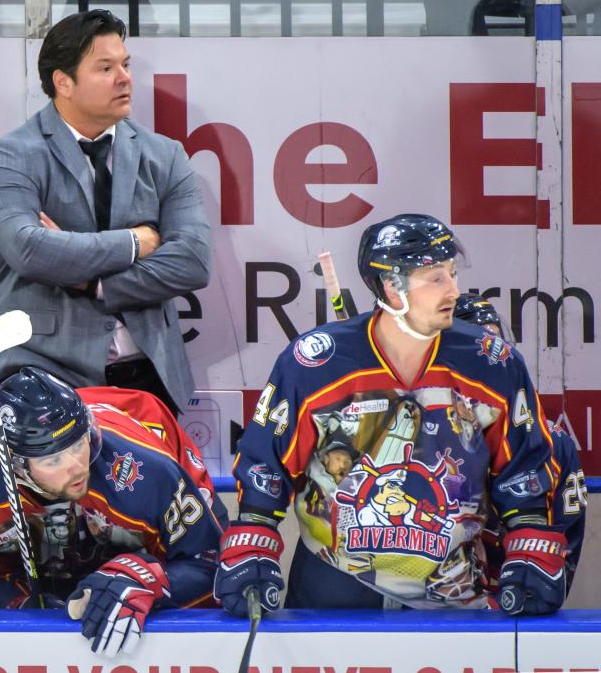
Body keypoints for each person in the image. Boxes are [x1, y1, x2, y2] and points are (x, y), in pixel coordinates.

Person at [214, 213, 567, 614]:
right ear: (391, 286)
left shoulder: (492, 362)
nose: (454, 288)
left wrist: (530, 537)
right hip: (332, 586)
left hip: (450, 592)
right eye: (436, 277)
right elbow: (267, 461)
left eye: (452, 273)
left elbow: (523, 466)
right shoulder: (316, 362)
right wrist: (254, 534)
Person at [0, 9, 211, 415]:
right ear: (62, 82)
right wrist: (137, 241)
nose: (124, 78)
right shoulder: (9, 156)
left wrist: (93, 283)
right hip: (41, 370)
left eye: (125, 64)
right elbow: (30, 250)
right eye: (105, 68)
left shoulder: (165, 155)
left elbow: (193, 261)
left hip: (151, 374)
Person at [0, 367, 223, 656]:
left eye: (78, 445)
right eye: (53, 461)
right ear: (17, 467)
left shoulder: (147, 472)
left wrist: (150, 581)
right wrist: (24, 608)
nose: (76, 466)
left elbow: (211, 565)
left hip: (156, 513)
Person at [454, 292, 586, 602]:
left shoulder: (555, 445)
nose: (491, 369)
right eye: (477, 358)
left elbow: (563, 553)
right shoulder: (415, 436)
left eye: (496, 353)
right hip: (426, 616)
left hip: (513, 610)